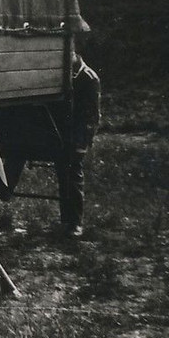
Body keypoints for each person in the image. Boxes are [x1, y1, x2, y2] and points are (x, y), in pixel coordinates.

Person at [57, 52, 101, 238]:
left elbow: (92, 116)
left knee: (73, 174)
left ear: (76, 57)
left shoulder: (89, 78)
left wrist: (82, 143)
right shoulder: (62, 74)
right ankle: (66, 220)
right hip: (63, 133)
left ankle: (76, 223)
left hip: (78, 134)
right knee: (62, 175)